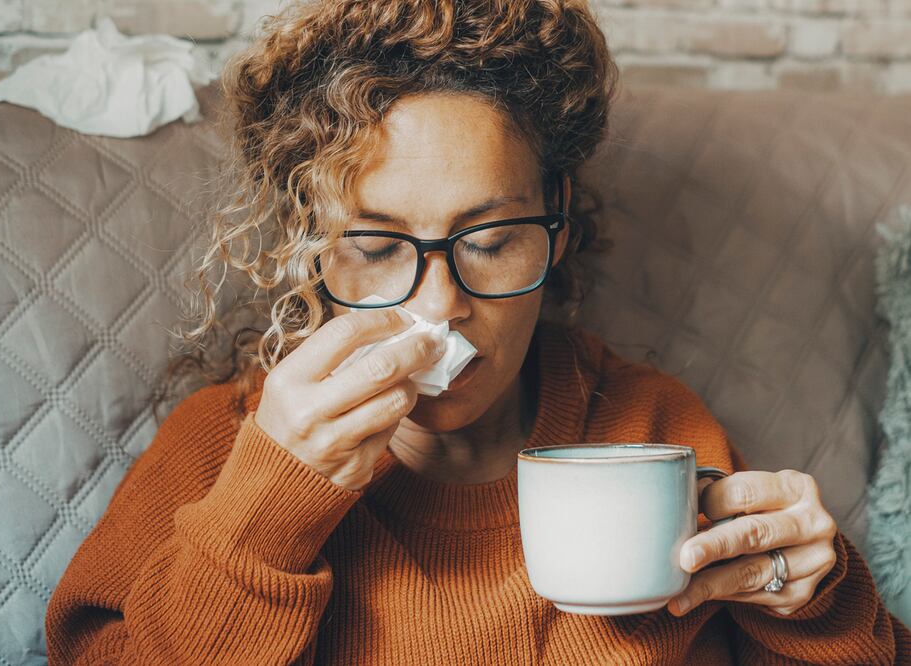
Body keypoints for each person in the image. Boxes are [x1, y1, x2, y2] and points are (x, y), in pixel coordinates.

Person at [45, 0, 911, 663]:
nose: (436, 308)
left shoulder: (650, 430)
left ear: (557, 225)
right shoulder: (227, 445)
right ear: (313, 252)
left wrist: (817, 601)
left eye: (490, 241)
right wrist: (262, 516)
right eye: (379, 247)